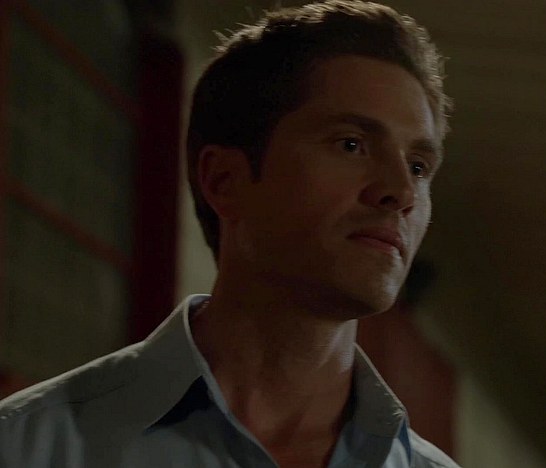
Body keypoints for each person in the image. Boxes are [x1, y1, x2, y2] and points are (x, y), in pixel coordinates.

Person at [0, 1, 458, 466]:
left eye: (418, 167)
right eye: (351, 144)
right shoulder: (28, 447)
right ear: (224, 181)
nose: (401, 191)